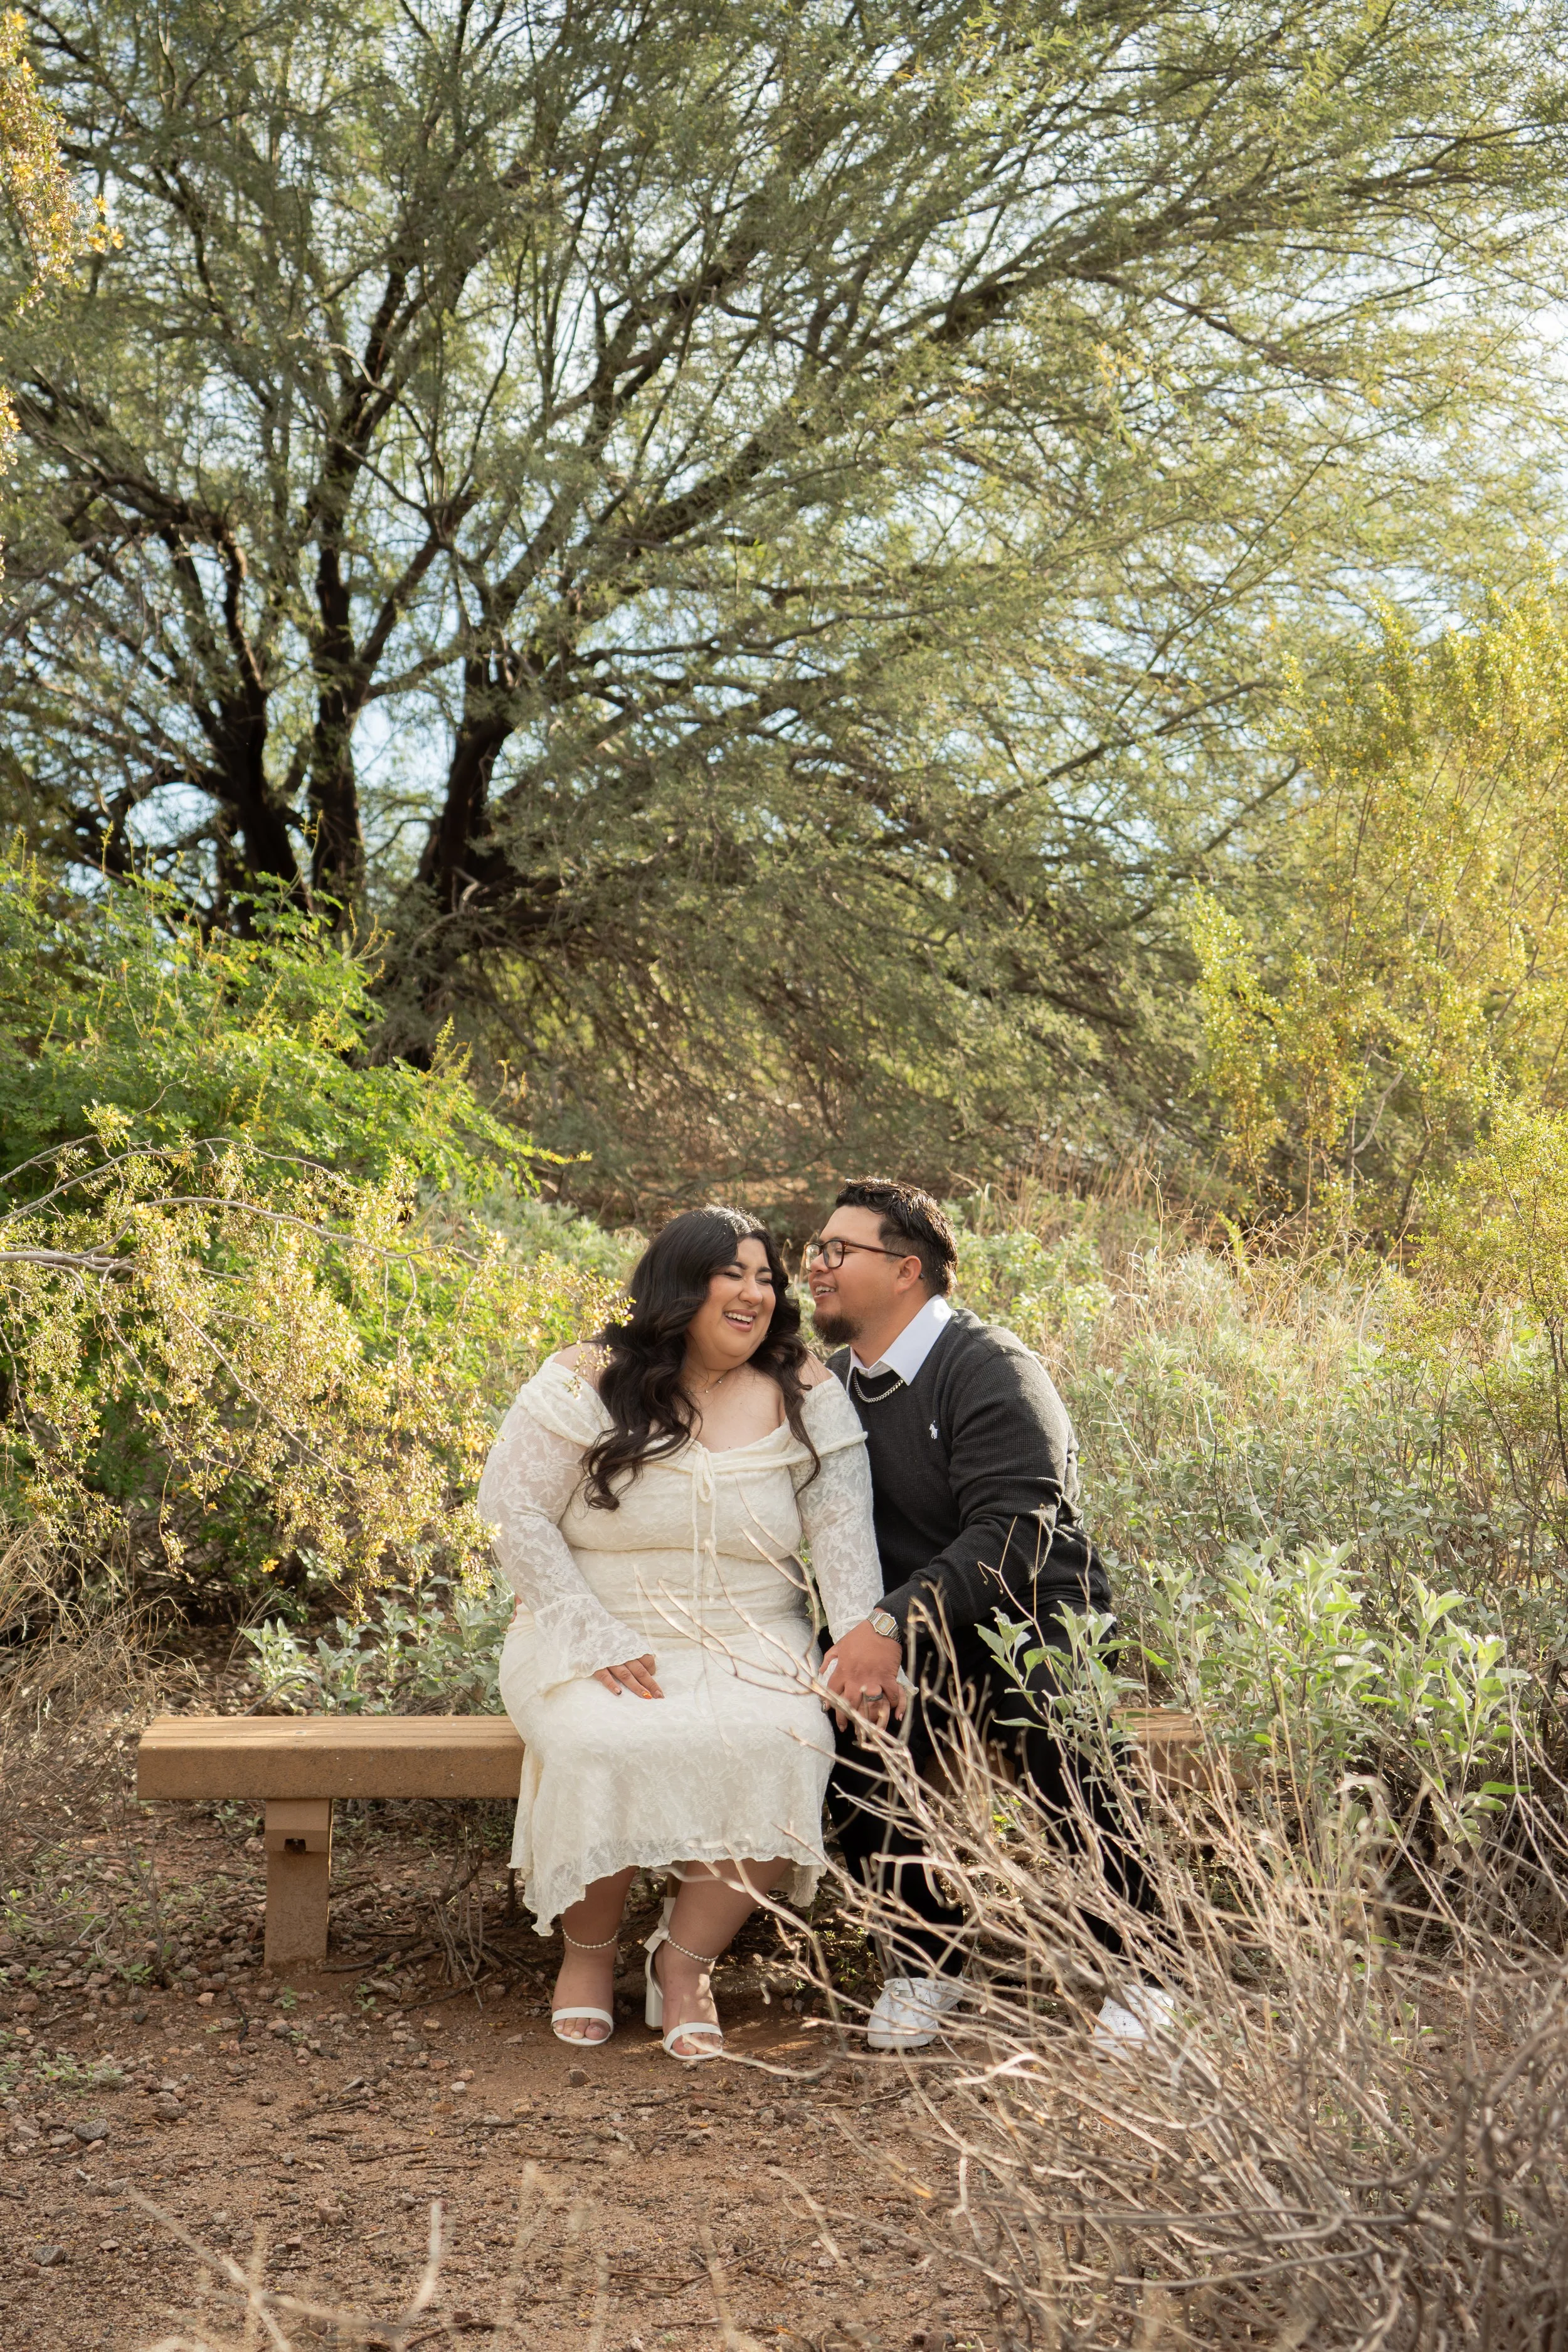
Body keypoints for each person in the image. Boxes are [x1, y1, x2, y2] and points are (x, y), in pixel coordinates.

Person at [477, 1205, 884, 2062]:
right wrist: (590, 1634)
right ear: (678, 1285)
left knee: (790, 1740)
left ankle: (683, 1961)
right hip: (591, 1625)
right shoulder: (588, 1374)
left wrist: (853, 1644)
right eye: (730, 1273)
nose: (754, 1292)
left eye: (767, 1277)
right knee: (601, 1744)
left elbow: (845, 1536)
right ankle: (588, 1956)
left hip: (752, 1630)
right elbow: (510, 1509)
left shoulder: (805, 1386)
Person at [808, 1177, 1168, 2055]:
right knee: (836, 1710)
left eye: (836, 1251)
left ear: (906, 1269)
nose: (814, 1266)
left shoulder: (991, 1368)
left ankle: (1148, 1962)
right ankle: (926, 1953)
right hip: (912, 1622)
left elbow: (1011, 1533)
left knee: (1057, 1718)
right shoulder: (828, 1386)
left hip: (1035, 1607)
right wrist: (870, 1638)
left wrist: (886, 1625)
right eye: (813, 1249)